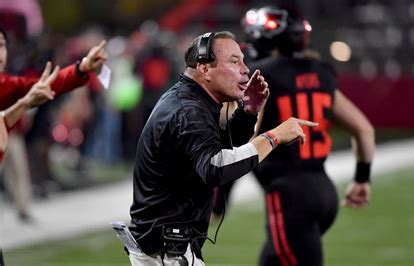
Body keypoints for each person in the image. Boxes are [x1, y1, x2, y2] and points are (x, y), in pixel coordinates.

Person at [127, 31, 318, 265]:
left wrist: (248, 114)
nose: (246, 69)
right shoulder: (189, 109)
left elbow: (219, 148)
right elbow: (215, 167)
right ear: (205, 68)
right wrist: (274, 136)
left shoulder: (189, 99)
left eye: (243, 60)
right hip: (166, 251)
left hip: (162, 245)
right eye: (234, 61)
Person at [240, 6, 376, 266]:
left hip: (290, 196)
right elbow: (364, 129)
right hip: (324, 190)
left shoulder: (263, 74)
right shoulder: (321, 72)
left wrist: (217, 197)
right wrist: (362, 179)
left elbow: (245, 138)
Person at [0, 26, 107, 221]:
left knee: (19, 171)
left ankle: (23, 209)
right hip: (10, 134)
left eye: (2, 45)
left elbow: (45, 86)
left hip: (12, 136)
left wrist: (81, 68)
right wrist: (24, 105)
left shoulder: (6, 83)